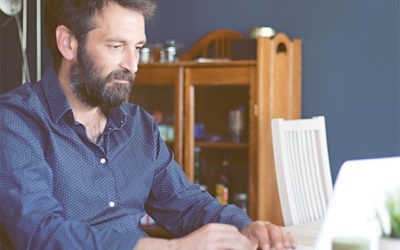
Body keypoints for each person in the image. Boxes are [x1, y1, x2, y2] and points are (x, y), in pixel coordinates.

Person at [0, 0, 297, 249]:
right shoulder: (15, 121)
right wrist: (167, 248)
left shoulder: (138, 126)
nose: (133, 64)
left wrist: (245, 227)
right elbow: (41, 233)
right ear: (68, 43)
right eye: (117, 46)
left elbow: (186, 205)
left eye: (138, 47)